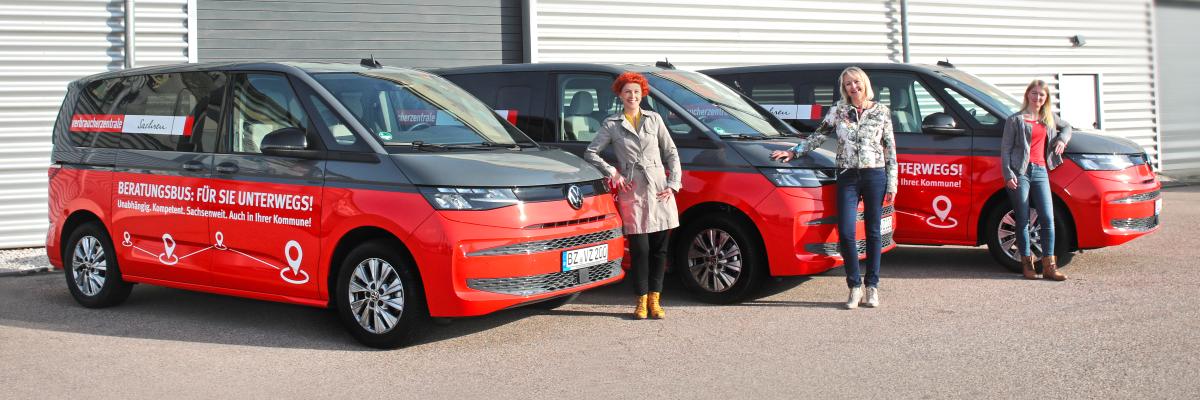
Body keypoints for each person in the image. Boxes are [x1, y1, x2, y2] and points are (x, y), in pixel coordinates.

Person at [770, 66, 896, 309]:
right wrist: (793, 152)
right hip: (848, 176)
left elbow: (890, 148)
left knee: (873, 232)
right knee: (847, 232)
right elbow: (818, 136)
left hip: (875, 175)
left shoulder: (881, 111)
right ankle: (854, 286)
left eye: (856, 82)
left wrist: (892, 182)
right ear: (844, 88)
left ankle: (872, 286)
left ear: (864, 83)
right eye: (848, 84)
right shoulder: (838, 110)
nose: (853, 87)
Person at [584, 72, 682, 320]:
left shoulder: (654, 119)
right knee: (640, 250)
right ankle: (640, 300)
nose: (632, 96)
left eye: (637, 92)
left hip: (659, 190)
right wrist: (614, 172)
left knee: (660, 250)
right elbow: (591, 153)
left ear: (642, 94)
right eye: (627, 91)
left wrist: (673, 183)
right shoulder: (612, 124)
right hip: (633, 190)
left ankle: (655, 300)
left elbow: (671, 152)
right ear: (620, 94)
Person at [1001, 79, 1072, 281]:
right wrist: (1008, 174)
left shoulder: (1048, 118)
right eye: (1034, 93)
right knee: (1023, 218)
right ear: (1028, 95)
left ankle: (1049, 267)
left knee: (1047, 218)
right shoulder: (1015, 119)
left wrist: (1062, 139)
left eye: (1042, 94)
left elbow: (1067, 127)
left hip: (1041, 171)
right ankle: (1027, 264)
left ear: (1046, 98)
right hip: (1020, 171)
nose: (1037, 97)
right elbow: (1005, 149)